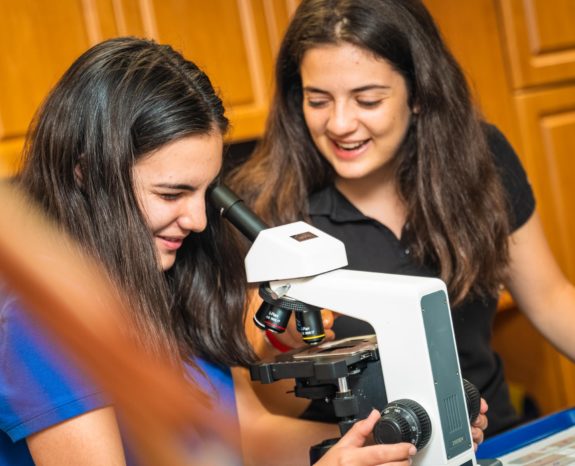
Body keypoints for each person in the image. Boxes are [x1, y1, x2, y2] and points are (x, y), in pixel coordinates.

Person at [0, 37, 416, 465]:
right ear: (86, 173)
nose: (198, 220)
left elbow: (250, 436)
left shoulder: (172, 274)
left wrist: (389, 443)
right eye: (171, 193)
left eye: (205, 192)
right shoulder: (42, 318)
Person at [227, 0, 575, 440]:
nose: (339, 124)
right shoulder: (266, 209)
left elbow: (551, 299)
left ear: (419, 95)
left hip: (493, 437)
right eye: (318, 100)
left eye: (367, 100)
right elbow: (265, 405)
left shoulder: (479, 159)